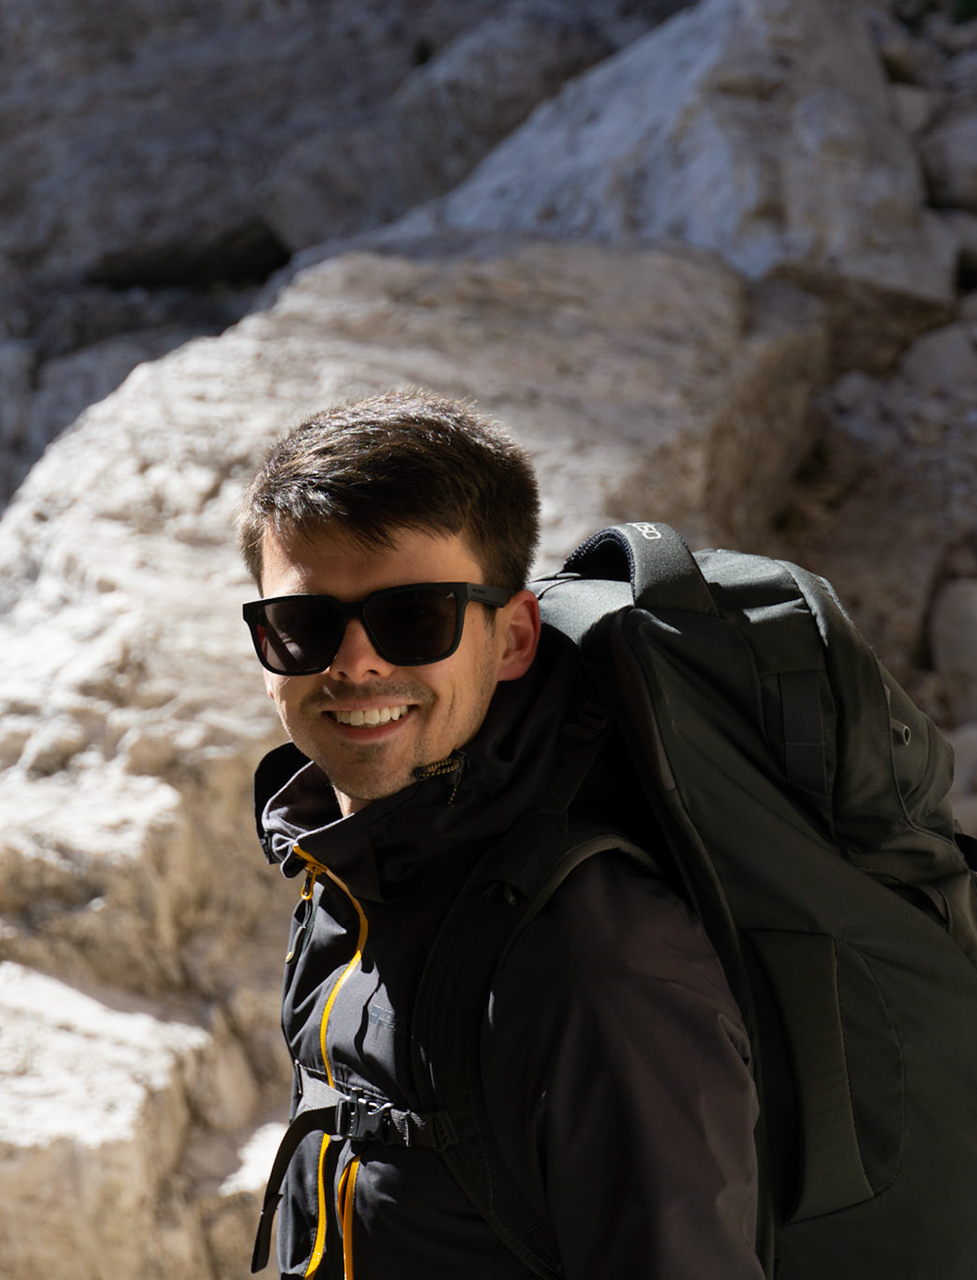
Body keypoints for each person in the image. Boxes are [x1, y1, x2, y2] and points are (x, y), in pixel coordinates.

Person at [236, 390, 764, 1279]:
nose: (356, 661)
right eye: (304, 625)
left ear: (514, 636)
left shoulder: (592, 960)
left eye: (414, 617)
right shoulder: (346, 868)